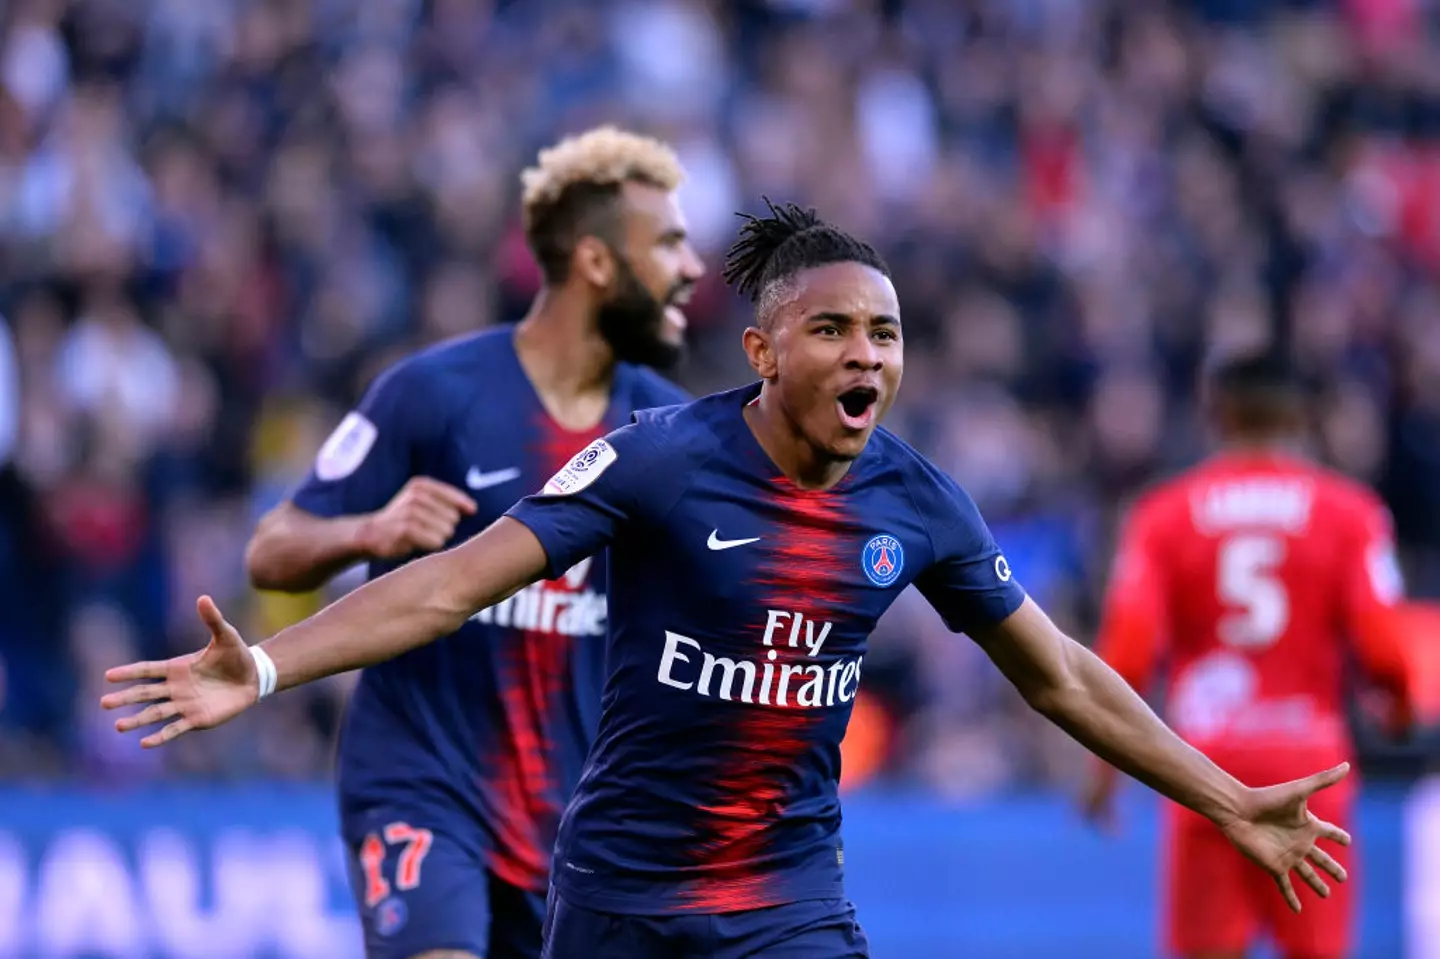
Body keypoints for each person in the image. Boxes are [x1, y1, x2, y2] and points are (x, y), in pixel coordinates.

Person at [105, 202, 1351, 959]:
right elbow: (446, 586)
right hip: (615, 895)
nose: (867, 353)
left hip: (784, 895)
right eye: (833, 329)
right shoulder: (658, 461)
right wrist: (263, 664)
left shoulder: (914, 498)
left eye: (887, 333)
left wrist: (1225, 796)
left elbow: (1062, 674)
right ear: (761, 350)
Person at [239, 126, 702, 959]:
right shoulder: (434, 392)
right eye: (670, 242)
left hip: (570, 817)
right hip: (422, 779)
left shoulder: (667, 428)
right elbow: (273, 548)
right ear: (598, 261)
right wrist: (368, 530)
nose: (694, 268)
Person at [1080, 352, 1413, 959]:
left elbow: (1126, 656)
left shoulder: (1164, 514)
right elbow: (1385, 651)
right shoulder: (1351, 513)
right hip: (1312, 774)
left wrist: (1104, 768)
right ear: (1302, 416)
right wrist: (1399, 707)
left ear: (1218, 413)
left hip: (1206, 773)